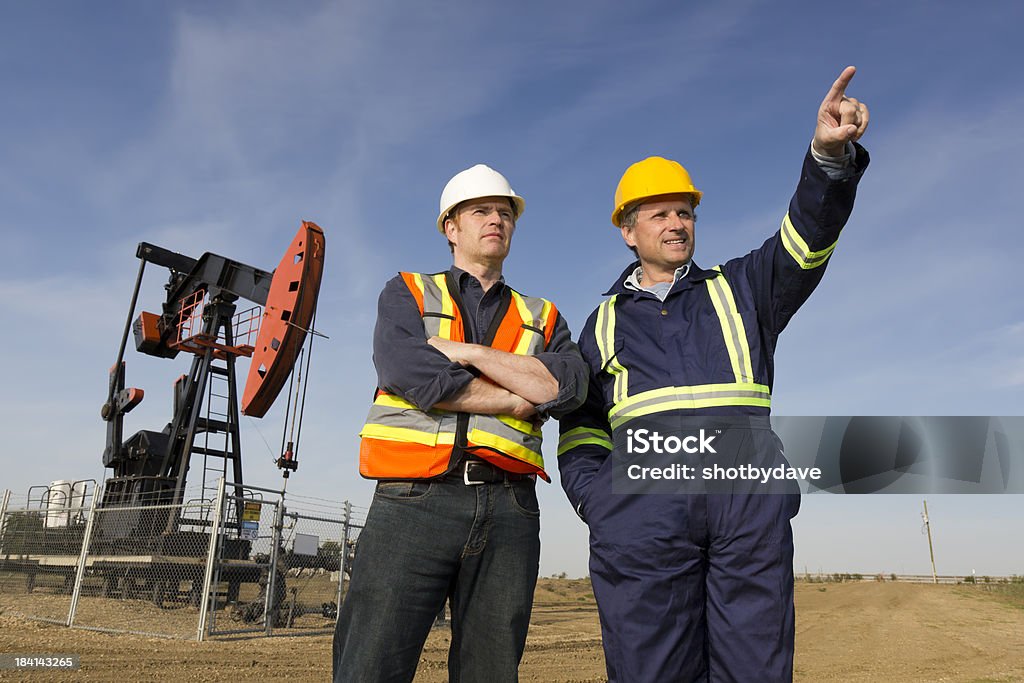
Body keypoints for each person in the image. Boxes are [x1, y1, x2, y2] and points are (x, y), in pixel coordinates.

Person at [557, 67, 870, 681]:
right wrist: (602, 501)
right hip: (642, 522)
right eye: (659, 215)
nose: (677, 224)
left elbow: (807, 236)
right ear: (627, 230)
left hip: (745, 513)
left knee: (754, 669)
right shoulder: (599, 325)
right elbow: (582, 428)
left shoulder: (745, 288)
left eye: (685, 212)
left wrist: (826, 160)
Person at [333, 164, 587, 682]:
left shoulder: (544, 315)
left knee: (490, 672)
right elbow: (411, 372)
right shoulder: (407, 291)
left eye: (504, 212)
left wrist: (466, 352)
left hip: (510, 509)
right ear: (451, 227)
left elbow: (569, 386)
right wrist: (516, 397)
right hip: (413, 503)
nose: (496, 219)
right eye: (481, 211)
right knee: (370, 666)